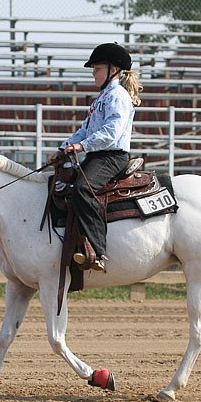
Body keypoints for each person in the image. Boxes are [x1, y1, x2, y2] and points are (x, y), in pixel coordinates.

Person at [47, 42, 143, 272]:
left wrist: (81, 146)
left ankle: (98, 250)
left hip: (112, 156)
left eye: (97, 69)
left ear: (114, 69)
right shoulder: (101, 98)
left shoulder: (118, 96)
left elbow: (112, 132)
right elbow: (84, 129)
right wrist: (63, 149)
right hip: (98, 155)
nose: (93, 73)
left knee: (82, 188)